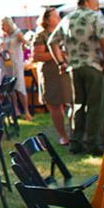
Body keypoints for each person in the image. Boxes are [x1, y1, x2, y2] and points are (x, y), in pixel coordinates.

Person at [49, 0, 104, 156]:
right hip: (94, 66)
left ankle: (76, 142)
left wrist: (61, 62)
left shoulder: (68, 18)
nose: (97, 2)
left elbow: (52, 42)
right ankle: (93, 143)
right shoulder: (95, 16)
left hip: (75, 68)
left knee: (78, 105)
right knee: (96, 106)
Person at [33, 8, 72, 145]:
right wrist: (57, 53)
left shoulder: (64, 32)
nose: (58, 18)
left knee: (71, 102)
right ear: (47, 19)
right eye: (55, 16)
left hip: (66, 72)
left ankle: (73, 131)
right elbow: (36, 56)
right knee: (55, 104)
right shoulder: (41, 35)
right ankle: (63, 135)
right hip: (51, 74)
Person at [0, 17, 31, 120]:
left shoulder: (17, 33)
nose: (2, 27)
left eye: (3, 25)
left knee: (20, 86)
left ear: (8, 25)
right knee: (10, 88)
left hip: (16, 63)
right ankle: (15, 110)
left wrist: (27, 49)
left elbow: (26, 43)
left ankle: (26, 111)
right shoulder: (3, 36)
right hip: (7, 64)